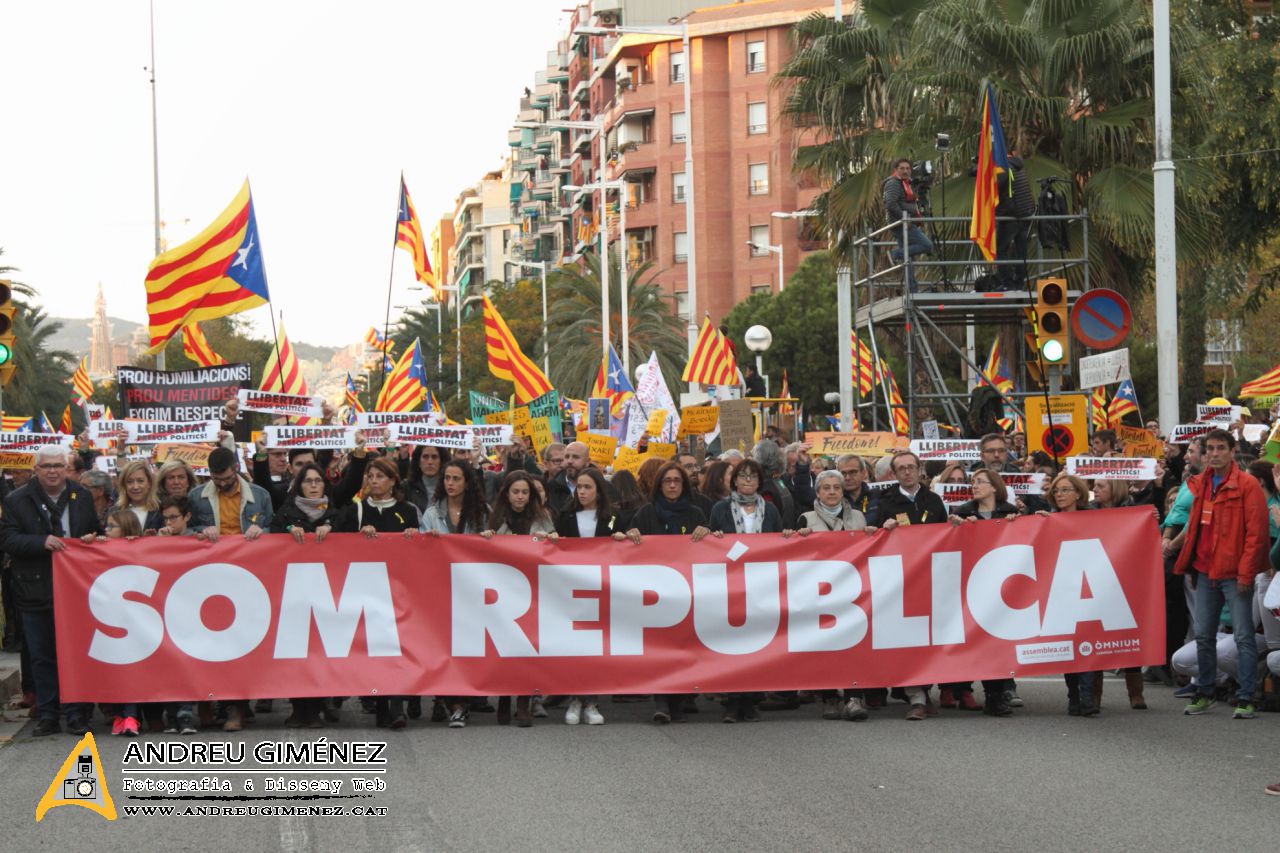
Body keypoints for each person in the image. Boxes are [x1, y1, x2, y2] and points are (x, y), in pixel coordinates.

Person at [0, 445, 103, 736]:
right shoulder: (17, 499)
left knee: (77, 653)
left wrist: (91, 538)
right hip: (35, 589)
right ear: (36, 470)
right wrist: (40, 541)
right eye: (47, 466)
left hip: (77, 589)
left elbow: (95, 529)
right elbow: (7, 538)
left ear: (66, 467)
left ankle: (77, 714)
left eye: (58, 465)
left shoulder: (80, 495)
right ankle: (48, 714)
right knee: (42, 656)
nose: (53, 471)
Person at [1174, 429, 1267, 719]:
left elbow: (1257, 534)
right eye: (1210, 449)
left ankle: (1246, 697)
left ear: (1232, 449)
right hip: (1204, 571)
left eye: (1220, 448)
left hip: (1234, 574)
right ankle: (1205, 693)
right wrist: (1190, 564)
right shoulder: (1200, 483)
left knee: (1243, 637)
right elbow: (1194, 529)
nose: (1214, 453)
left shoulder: (1248, 485)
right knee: (1202, 635)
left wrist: (1245, 574)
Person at [186, 446, 272, 731]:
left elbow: (274, 528)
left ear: (235, 468)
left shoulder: (259, 496)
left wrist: (263, 533)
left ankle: (239, 703)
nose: (221, 484)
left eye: (224, 477)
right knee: (219, 645)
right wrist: (199, 533)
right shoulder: (196, 498)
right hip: (211, 578)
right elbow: (183, 531)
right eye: (215, 478)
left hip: (250, 577)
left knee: (244, 642)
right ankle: (230, 705)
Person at [333, 457, 421, 729]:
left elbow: (419, 552)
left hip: (400, 590)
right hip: (367, 591)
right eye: (370, 476)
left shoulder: (407, 510)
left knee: (398, 647)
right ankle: (384, 704)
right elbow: (337, 545)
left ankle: (396, 706)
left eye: (379, 476)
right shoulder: (356, 511)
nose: (373, 481)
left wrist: (413, 537)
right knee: (378, 649)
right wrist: (357, 536)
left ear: (393, 481)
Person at [620, 461, 710, 724]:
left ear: (684, 485)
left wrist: (708, 535)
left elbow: (711, 550)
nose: (672, 485)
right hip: (655, 594)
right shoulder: (646, 514)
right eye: (667, 481)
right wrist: (630, 536)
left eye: (676, 481)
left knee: (684, 646)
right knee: (659, 647)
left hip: (687, 594)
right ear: (659, 485)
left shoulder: (696, 514)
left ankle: (679, 700)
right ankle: (661, 700)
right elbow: (628, 550)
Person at [869, 451, 947, 721]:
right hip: (898, 581)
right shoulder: (885, 501)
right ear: (894, 473)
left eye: (911, 467)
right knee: (907, 639)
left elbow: (945, 536)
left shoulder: (933, 500)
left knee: (928, 639)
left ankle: (922, 692)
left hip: (929, 577)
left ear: (919, 469)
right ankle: (916, 696)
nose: (907, 472)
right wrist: (882, 527)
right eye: (901, 468)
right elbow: (870, 535)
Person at [482, 471, 556, 727]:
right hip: (503, 591)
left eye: (525, 492)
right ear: (507, 493)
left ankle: (523, 703)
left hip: (533, 591)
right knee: (504, 647)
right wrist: (488, 538)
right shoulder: (496, 516)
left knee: (527, 647)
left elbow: (555, 548)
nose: (520, 497)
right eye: (516, 492)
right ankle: (504, 698)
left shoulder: (543, 518)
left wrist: (552, 539)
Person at [796, 469, 870, 721]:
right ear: (817, 493)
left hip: (853, 591)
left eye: (836, 487)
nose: (831, 492)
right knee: (825, 645)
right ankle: (829, 696)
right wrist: (797, 538)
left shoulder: (859, 517)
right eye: (826, 487)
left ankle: (854, 696)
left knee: (854, 644)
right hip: (819, 593)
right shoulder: (805, 518)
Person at [551, 467, 622, 727]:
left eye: (587, 487)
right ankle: (575, 699)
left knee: (595, 646)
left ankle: (590, 701)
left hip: (602, 588)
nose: (582, 492)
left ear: (598, 490)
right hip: (572, 589)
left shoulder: (613, 516)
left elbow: (625, 541)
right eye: (579, 487)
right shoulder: (566, 515)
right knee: (575, 646)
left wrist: (625, 537)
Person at [948, 469, 1020, 716]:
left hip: (1004, 586)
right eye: (973, 482)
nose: (974, 486)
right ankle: (971, 690)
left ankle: (996, 694)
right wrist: (956, 528)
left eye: (980, 482)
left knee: (999, 641)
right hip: (974, 585)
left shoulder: (1011, 512)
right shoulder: (963, 512)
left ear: (994, 487)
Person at [1037, 473, 1102, 716]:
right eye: (1056, 491)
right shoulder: (1048, 519)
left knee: (1085, 641)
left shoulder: (1093, 517)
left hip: (1089, 588)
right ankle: (1074, 695)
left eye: (1065, 489)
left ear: (1078, 493)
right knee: (1068, 644)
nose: (1060, 494)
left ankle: (1086, 696)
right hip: (1060, 589)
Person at [82, 508, 145, 735]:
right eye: (106, 526)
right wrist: (91, 543)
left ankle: (131, 715)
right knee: (114, 670)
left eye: (112, 527)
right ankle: (119, 714)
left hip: (132, 623)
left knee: (131, 670)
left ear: (127, 529)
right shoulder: (101, 548)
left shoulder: (140, 549)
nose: (106, 530)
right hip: (109, 622)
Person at [188, 447, 272, 545]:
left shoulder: (261, 495)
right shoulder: (195, 496)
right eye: (217, 479)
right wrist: (203, 530)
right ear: (210, 472)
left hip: (248, 551)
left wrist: (261, 530)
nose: (223, 484)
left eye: (227, 478)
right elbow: (186, 528)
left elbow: (273, 527)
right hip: (212, 554)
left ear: (236, 468)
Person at [882, 157, 934, 292]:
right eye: (902, 168)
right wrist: (905, 219)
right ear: (896, 170)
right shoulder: (894, 183)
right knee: (927, 245)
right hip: (900, 224)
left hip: (905, 224)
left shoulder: (906, 183)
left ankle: (912, 290)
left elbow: (903, 202)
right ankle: (895, 254)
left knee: (909, 260)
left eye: (907, 168)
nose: (905, 171)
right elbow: (891, 204)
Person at [993, 152, 1035, 291]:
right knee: (1021, 251)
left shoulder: (1005, 169)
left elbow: (995, 186)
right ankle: (1019, 283)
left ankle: (1008, 284)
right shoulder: (1017, 165)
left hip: (1012, 216)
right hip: (1026, 214)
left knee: (1001, 250)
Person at [114, 459, 163, 532]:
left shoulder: (161, 510)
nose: (135, 487)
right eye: (130, 482)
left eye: (140, 481)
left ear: (149, 483)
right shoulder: (114, 511)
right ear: (124, 485)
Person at [404, 444, 450, 514]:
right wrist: (390, 450)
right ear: (418, 461)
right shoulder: (407, 487)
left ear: (441, 461)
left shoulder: (450, 486)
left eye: (434, 457)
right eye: (425, 457)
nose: (430, 462)